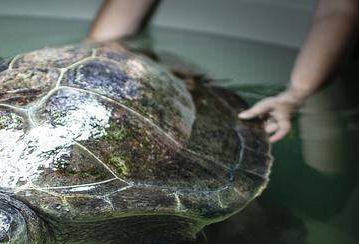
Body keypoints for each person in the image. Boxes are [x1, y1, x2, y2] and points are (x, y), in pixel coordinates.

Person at [88, 0, 359, 142]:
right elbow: (109, 36)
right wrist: (95, 58)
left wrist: (296, 94)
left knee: (324, 197)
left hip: (279, 85)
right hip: (173, 77)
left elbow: (338, 11)